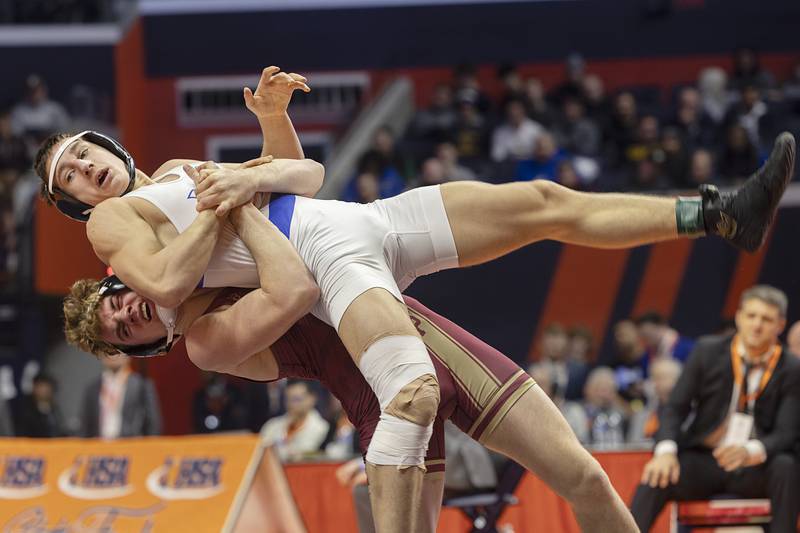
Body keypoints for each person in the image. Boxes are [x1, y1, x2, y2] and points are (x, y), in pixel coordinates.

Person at [39, 65, 795, 531]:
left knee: (543, 199)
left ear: (110, 145)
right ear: (74, 206)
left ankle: (720, 213)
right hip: (329, 259)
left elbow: (302, 179)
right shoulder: (128, 239)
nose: (84, 168)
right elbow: (176, 281)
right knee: (408, 393)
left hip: (363, 224)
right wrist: (230, 196)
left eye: (83, 152)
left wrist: (271, 129)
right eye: (67, 176)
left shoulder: (174, 167)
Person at [63, 208, 636, 532]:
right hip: (387, 408)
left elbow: (284, 190)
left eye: (116, 301)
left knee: (586, 480)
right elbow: (295, 286)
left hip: (433, 343)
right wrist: (228, 200)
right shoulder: (207, 342)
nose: (126, 314)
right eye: (122, 331)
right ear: (147, 349)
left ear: (128, 279)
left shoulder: (212, 262)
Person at [630, 286, 800, 533]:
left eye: (766, 319)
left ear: (780, 325)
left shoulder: (791, 368)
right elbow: (675, 407)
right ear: (739, 317)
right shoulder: (707, 351)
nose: (757, 325)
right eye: (751, 316)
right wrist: (665, 450)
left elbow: (788, 432)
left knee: (786, 466)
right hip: (707, 460)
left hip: (755, 465)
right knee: (658, 473)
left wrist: (750, 450)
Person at [79, 353, 161, 438]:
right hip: (99, 446)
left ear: (128, 356)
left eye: (118, 350)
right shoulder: (92, 388)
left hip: (131, 446)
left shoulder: (141, 386)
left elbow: (153, 424)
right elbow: (85, 425)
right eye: (108, 351)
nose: (113, 355)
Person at [261, 380, 330, 461]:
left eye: (296, 399)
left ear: (312, 399)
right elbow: (261, 452)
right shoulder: (272, 426)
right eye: (288, 399)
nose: (291, 404)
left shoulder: (323, 428)